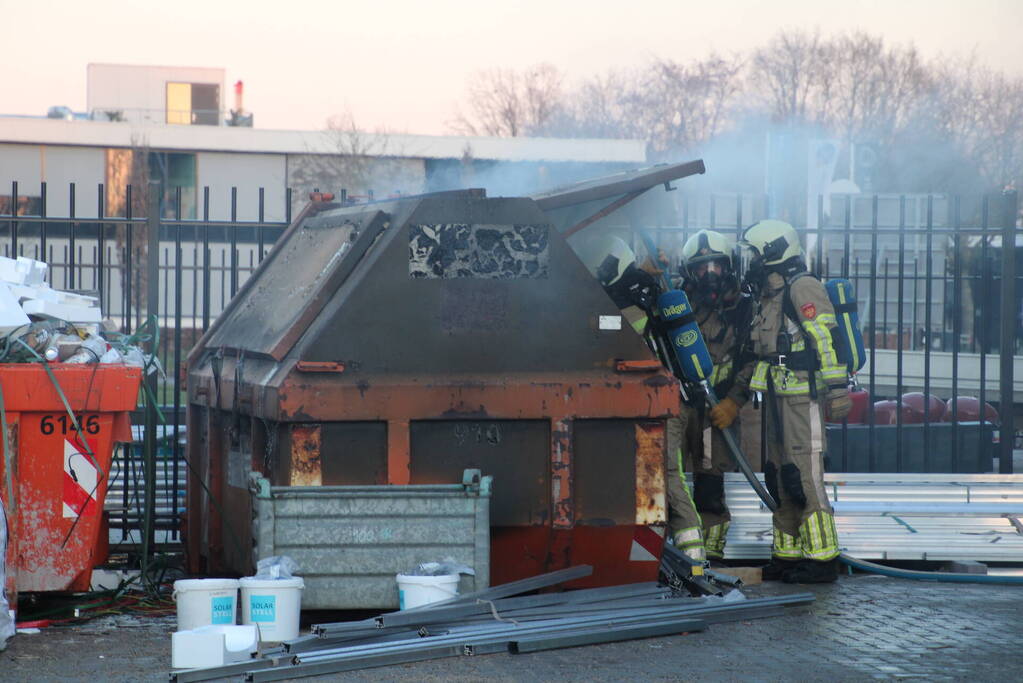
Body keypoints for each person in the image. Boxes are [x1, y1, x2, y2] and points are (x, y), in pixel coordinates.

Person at [737, 220, 851, 583]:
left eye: (755, 253)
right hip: (776, 397)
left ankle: (823, 560)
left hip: (804, 399)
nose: (751, 260)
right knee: (779, 475)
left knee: (806, 476)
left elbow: (826, 340)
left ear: (773, 251)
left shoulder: (803, 287)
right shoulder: (770, 294)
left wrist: (837, 389)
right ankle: (787, 556)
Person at [586, 235, 707, 561]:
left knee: (665, 477)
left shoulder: (633, 301)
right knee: (647, 481)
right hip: (648, 405)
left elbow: (615, 346)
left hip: (665, 405)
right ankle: (651, 560)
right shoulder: (635, 293)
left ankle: (694, 562)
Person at [678, 230, 755, 562]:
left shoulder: (744, 308)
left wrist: (735, 401)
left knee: (710, 485)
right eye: (701, 268)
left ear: (730, 268)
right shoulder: (678, 304)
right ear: (689, 273)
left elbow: (754, 358)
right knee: (670, 479)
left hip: (718, 408)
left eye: (716, 267)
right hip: (680, 405)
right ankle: (674, 552)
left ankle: (710, 555)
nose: (710, 275)